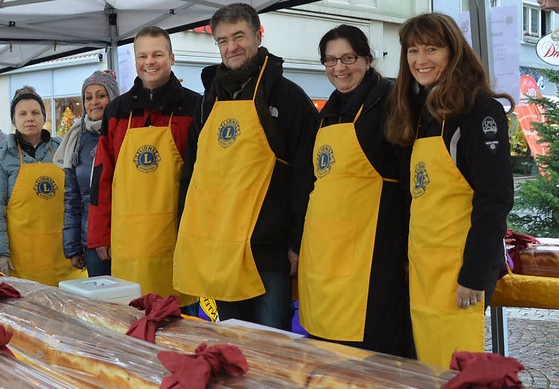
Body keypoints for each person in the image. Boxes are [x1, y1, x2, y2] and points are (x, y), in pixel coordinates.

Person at [174, 3, 319, 330]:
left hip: (268, 251)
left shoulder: (289, 98)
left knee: (271, 348)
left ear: (258, 35)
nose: (231, 47)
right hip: (218, 249)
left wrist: (297, 243)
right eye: (223, 40)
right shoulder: (207, 100)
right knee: (229, 346)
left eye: (239, 36)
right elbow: (192, 174)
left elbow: (305, 179)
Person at [385, 13, 514, 367]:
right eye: (412, 50)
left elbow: (495, 198)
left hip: (459, 270)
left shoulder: (478, 109)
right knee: (429, 367)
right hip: (424, 267)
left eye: (431, 48)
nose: (420, 60)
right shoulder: (421, 111)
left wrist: (475, 273)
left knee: (457, 370)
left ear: (453, 52)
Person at [297, 25, 414, 358]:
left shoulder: (391, 102)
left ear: (366, 58)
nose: (339, 68)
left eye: (348, 58)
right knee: (328, 357)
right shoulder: (327, 113)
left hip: (375, 255)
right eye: (331, 60)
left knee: (373, 358)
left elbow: (409, 181)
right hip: (324, 256)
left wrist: (408, 250)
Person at [88, 27, 201, 312]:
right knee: (132, 323)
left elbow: (202, 178)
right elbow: (102, 176)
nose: (149, 62)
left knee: (180, 325)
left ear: (172, 58)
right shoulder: (117, 111)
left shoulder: (195, 106)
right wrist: (100, 234)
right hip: (128, 242)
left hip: (178, 238)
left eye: (157, 54)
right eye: (143, 56)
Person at [0, 86, 86, 286]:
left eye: (35, 112)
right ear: (14, 120)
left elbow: (80, 202)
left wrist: (82, 245)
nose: (30, 118)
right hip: (21, 265)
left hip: (67, 261)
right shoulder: (0, 156)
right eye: (23, 113)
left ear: (44, 117)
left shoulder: (64, 149)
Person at [55, 70, 119, 277]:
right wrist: (73, 247)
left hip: (126, 235)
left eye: (101, 95)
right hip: (91, 239)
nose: (94, 102)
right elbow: (72, 198)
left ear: (113, 97)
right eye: (88, 97)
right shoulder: (77, 140)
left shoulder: (125, 133)